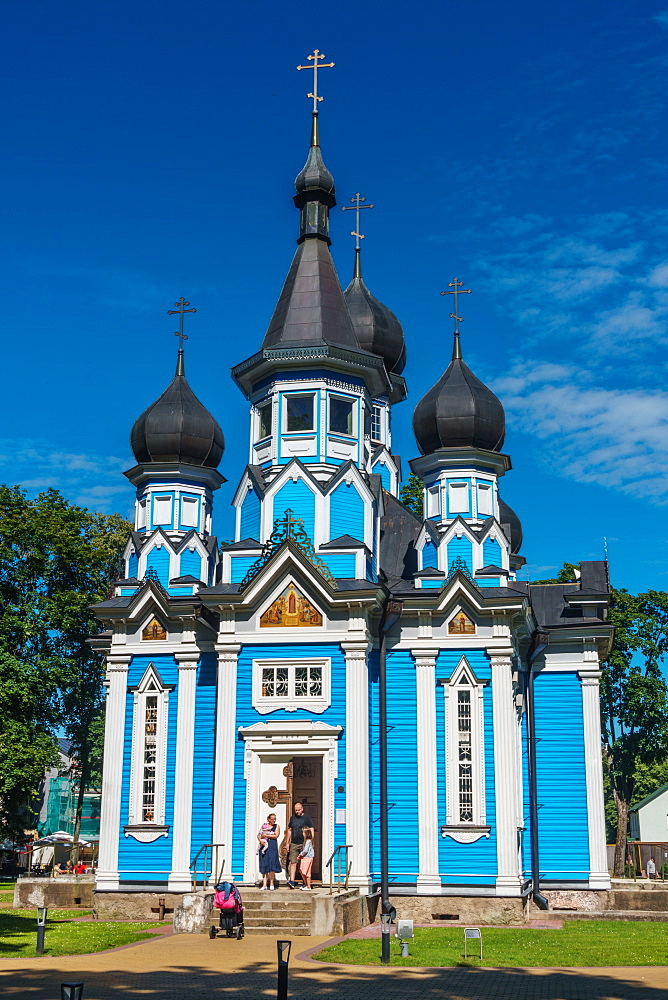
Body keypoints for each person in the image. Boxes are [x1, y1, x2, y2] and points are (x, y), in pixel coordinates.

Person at [286, 801, 312, 889]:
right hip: (294, 843)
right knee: (293, 862)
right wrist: (287, 843)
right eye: (296, 810)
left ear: (302, 809)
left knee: (303, 864)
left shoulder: (307, 818)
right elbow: (289, 830)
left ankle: (305, 882)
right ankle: (292, 881)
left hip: (304, 843)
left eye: (299, 810)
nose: (297, 812)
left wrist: (310, 841)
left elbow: (311, 829)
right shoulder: (292, 818)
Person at [257, 812, 281, 890]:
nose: (273, 820)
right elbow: (259, 834)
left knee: (272, 863)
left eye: (275, 819)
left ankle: (271, 883)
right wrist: (260, 840)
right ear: (268, 819)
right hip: (264, 845)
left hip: (272, 846)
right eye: (272, 819)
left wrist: (266, 835)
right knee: (264, 863)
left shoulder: (277, 826)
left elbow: (276, 835)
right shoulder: (264, 826)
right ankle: (264, 884)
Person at [298, 827, 315, 891]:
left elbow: (305, 850)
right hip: (305, 857)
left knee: (306, 872)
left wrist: (300, 854)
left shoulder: (308, 841)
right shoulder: (306, 841)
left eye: (303, 832)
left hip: (307, 857)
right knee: (301, 870)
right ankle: (306, 884)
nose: (302, 833)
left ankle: (308, 886)